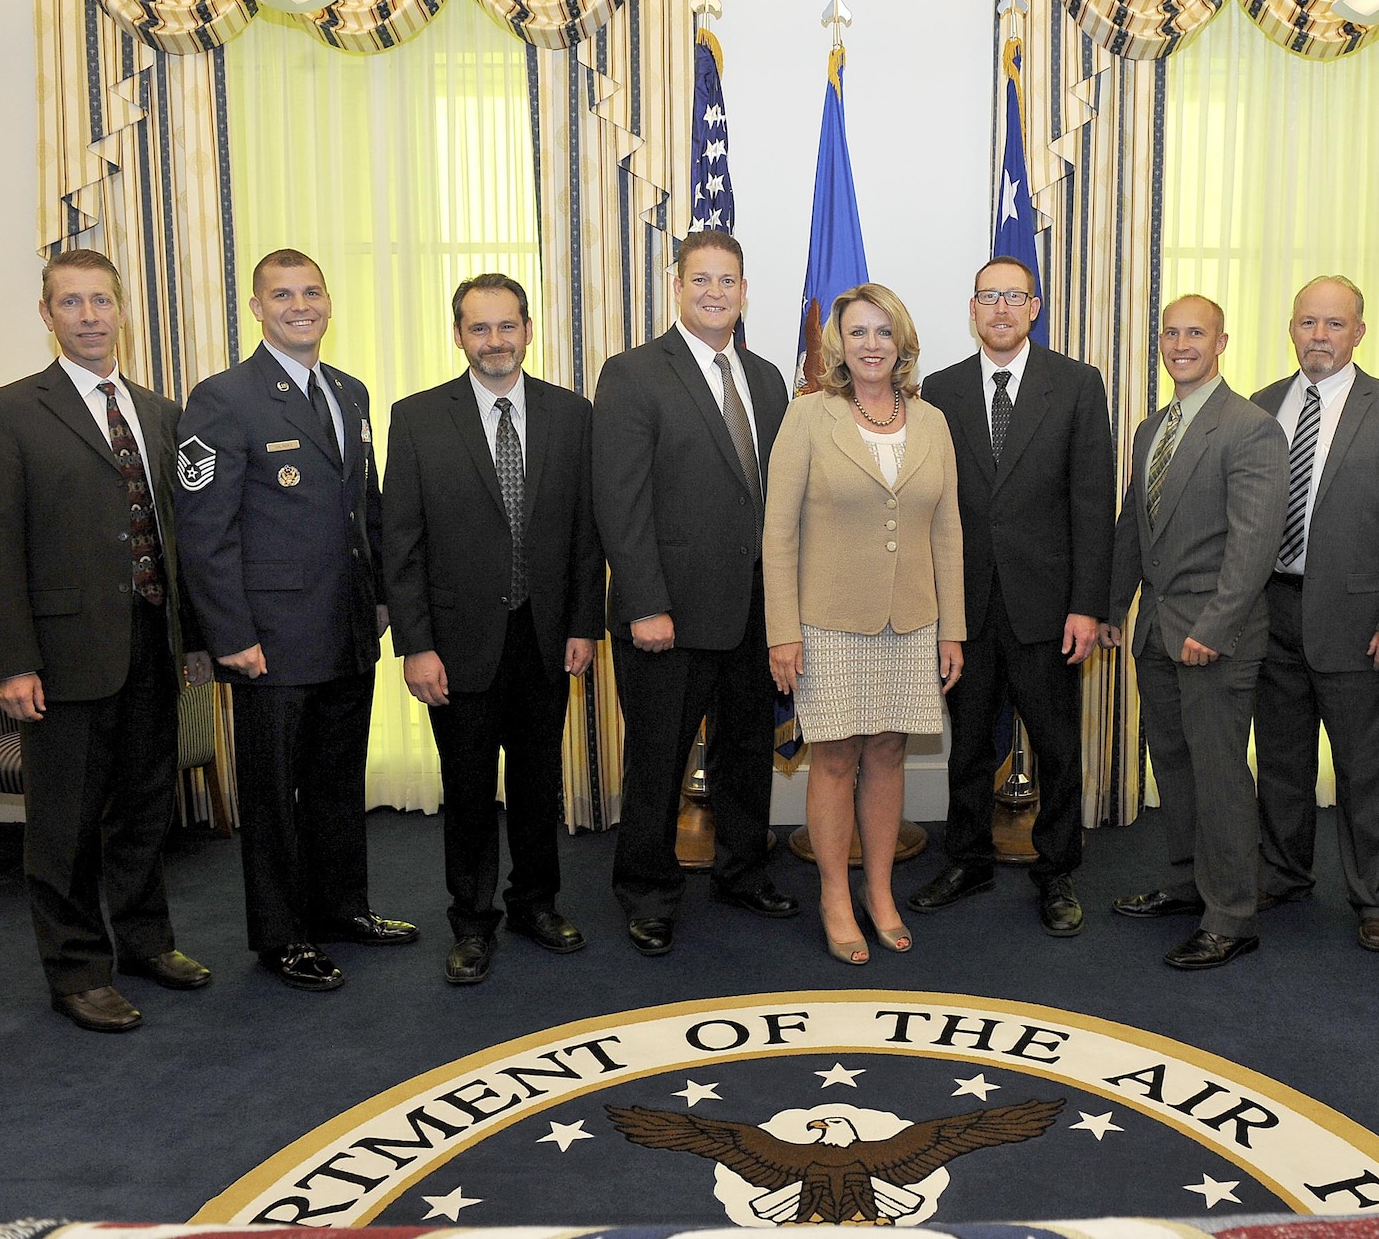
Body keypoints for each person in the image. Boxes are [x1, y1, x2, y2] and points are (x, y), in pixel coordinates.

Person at [0, 248, 213, 1032]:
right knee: (63, 822)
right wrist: (13, 663)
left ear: (122, 309)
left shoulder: (160, 410)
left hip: (150, 645)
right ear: (47, 315)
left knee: (144, 808)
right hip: (61, 661)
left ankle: (145, 942)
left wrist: (194, 640)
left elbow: (181, 537)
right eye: (72, 303)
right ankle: (76, 971)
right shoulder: (5, 413)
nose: (90, 316)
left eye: (102, 301)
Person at [174, 248, 417, 992]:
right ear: (256, 307)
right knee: (276, 794)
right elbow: (203, 531)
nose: (300, 305)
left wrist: (378, 594)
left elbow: (364, 504)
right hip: (270, 638)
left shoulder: (350, 391)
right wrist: (229, 636)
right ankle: (281, 936)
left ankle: (343, 907)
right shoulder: (223, 397)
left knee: (338, 782)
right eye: (282, 295)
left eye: (312, 291)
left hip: (346, 627)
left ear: (328, 301)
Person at [383, 274, 605, 985]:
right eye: (479, 328)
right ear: (458, 335)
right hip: (455, 646)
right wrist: (415, 645)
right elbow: (402, 544)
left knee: (540, 785)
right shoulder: (417, 418)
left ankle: (537, 903)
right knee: (470, 789)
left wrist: (583, 624)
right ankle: (472, 922)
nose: (494, 341)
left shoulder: (571, 414)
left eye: (506, 326)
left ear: (528, 330)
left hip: (545, 639)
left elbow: (584, 534)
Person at [591, 231, 796, 956]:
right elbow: (620, 503)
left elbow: (773, 500)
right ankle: (647, 892)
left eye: (729, 279)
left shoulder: (768, 379)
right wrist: (645, 603)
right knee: (658, 761)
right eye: (701, 278)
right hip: (666, 618)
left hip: (751, 611)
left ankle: (742, 870)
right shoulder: (634, 373)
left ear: (745, 291)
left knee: (747, 752)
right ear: (677, 286)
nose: (716, 291)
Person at [909, 257, 1113, 935]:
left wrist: (1089, 604)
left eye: (1014, 297)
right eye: (989, 297)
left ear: (1034, 307)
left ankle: (1057, 872)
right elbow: (927, 504)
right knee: (966, 744)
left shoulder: (1077, 385)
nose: (1001, 308)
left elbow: (1090, 501)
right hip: (962, 606)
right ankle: (966, 859)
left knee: (1056, 745)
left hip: (1049, 607)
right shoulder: (939, 391)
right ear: (974, 309)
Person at [764, 283, 965, 964]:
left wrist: (953, 628)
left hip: (912, 619)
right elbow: (778, 532)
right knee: (836, 755)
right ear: (839, 344)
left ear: (901, 341)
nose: (872, 344)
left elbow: (948, 531)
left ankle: (880, 892)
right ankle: (834, 895)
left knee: (887, 752)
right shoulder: (808, 416)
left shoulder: (932, 421)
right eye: (858, 332)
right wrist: (782, 630)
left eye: (884, 332)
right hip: (827, 622)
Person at [1249, 276, 1379, 953]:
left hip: (1362, 624)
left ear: (1359, 331)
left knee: (1368, 768)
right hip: (1271, 614)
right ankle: (1283, 871)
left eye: (1334, 323)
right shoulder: (1261, 406)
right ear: (1292, 329)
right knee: (1281, 760)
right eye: (1307, 322)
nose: (1319, 336)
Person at [1104, 295, 1288, 969]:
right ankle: (1191, 883)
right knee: (1174, 767)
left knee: (1218, 776)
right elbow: (1134, 525)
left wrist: (1215, 625)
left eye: (1196, 333)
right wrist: (1109, 608)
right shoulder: (1154, 427)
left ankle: (1233, 914)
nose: (1181, 343)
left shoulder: (1251, 428)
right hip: (1155, 629)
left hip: (1216, 635)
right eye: (1172, 332)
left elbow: (1254, 542)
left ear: (1222, 342)